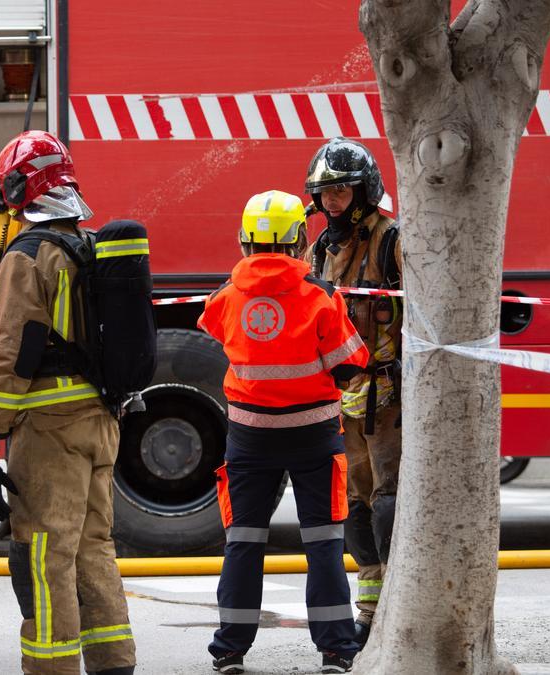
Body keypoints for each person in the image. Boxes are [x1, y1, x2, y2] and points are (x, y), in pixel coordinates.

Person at [0, 130, 136, 675]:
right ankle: (113, 662)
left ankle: (52, 667)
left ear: (20, 187)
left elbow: (12, 350)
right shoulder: (88, 245)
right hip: (101, 420)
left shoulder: (29, 255)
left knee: (43, 552)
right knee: (92, 546)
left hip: (49, 426)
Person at [199, 190, 368, 674]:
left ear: (244, 241)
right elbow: (351, 365)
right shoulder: (322, 297)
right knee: (324, 543)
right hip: (315, 435)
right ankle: (336, 650)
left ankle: (229, 649)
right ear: (300, 240)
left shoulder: (226, 297)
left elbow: (215, 329)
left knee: (244, 543)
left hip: (249, 438)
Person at [302, 138, 403, 647]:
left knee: (389, 500)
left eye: (341, 191)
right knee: (353, 506)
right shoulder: (321, 247)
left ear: (364, 190)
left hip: (387, 397)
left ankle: (396, 608)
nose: (333, 202)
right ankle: (370, 607)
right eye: (325, 194)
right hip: (341, 397)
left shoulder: (391, 239)